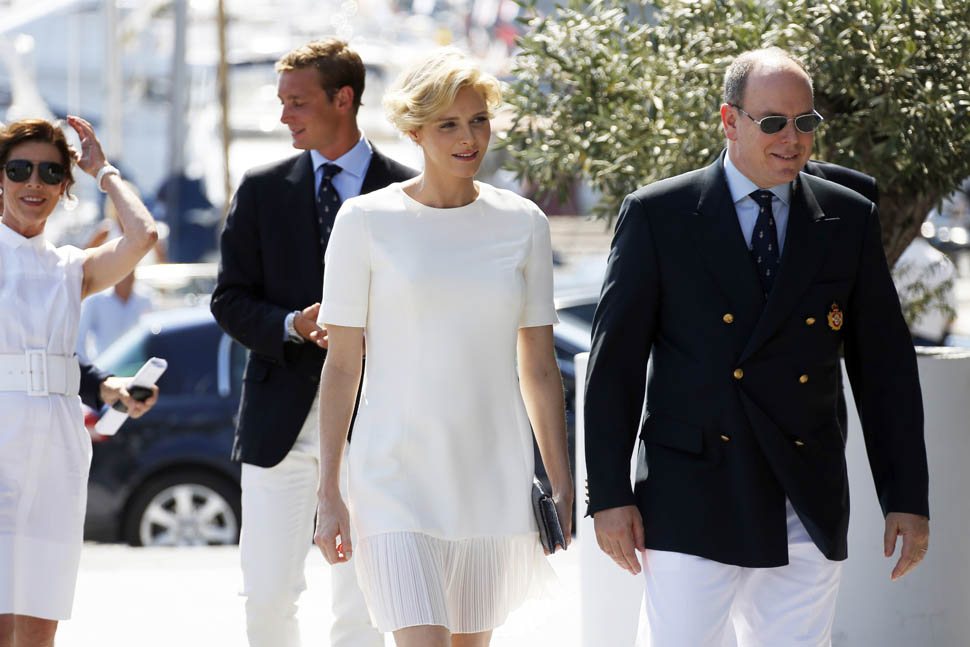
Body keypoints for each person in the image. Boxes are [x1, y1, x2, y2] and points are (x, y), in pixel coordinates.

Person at [584, 47, 930, 646]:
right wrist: (609, 495)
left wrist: (906, 497)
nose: (792, 139)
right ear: (730, 120)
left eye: (805, 122)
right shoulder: (659, 215)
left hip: (805, 493)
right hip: (692, 493)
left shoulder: (848, 216)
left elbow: (885, 370)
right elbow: (614, 367)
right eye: (773, 122)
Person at [313, 48, 573, 647]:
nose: (468, 138)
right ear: (414, 132)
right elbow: (343, 365)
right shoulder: (365, 220)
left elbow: (538, 368)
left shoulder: (524, 222)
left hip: (492, 476)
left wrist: (559, 481)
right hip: (393, 478)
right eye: (448, 124)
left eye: (478, 120)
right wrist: (330, 491)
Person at [209, 39, 416, 647]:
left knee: (364, 603)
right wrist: (293, 324)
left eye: (297, 102)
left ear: (343, 99)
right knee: (267, 597)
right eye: (282, 102)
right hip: (280, 427)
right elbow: (228, 299)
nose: (284, 116)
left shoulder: (408, 190)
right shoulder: (261, 188)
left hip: (377, 425)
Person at [0, 116, 156, 647]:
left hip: (56, 447)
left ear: (65, 185)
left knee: (39, 624)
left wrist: (104, 171)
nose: (34, 183)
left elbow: (143, 236)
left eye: (50, 172)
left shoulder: (71, 268)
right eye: (19, 169)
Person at [75, 270, 153, 361]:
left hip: (135, 365)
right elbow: (80, 336)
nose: (128, 276)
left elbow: (150, 332)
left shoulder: (145, 300)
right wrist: (85, 365)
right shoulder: (95, 300)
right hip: (103, 365)